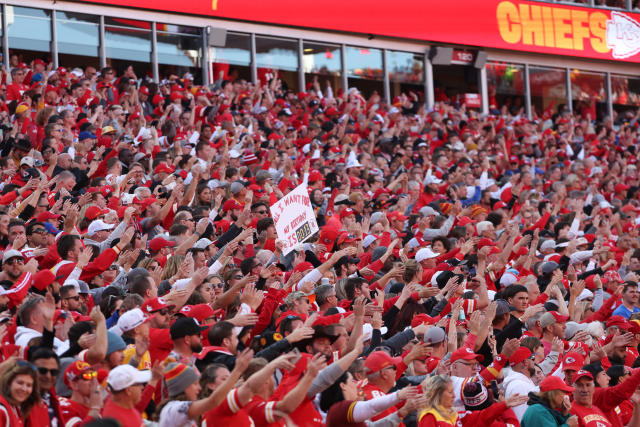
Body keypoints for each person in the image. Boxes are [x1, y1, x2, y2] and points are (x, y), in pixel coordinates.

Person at [0, 360, 41, 427]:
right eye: (20, 383)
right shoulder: (1, 410)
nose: (24, 389)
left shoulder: (15, 408)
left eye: (29, 385)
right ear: (8, 383)